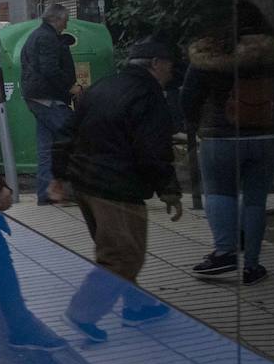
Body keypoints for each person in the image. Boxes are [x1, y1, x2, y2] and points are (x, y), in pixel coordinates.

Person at [51, 39, 183, 342]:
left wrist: (59, 174)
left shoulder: (102, 87)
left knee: (117, 248)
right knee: (122, 256)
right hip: (116, 187)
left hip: (86, 184)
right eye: (169, 66)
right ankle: (82, 314)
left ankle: (138, 305)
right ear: (155, 64)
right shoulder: (149, 96)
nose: (171, 72)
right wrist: (169, 189)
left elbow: (65, 132)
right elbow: (153, 149)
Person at [180, 2, 274, 285]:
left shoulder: (209, 53)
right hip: (267, 135)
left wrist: (192, 123)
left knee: (219, 193)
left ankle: (225, 252)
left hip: (220, 136)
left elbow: (189, 96)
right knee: (255, 199)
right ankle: (252, 265)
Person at [21, 3, 82, 205]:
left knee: (46, 148)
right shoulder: (47, 38)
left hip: (36, 97)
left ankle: (46, 194)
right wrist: (69, 87)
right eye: (65, 20)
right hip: (49, 98)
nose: (66, 25)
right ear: (56, 19)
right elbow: (50, 70)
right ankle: (67, 189)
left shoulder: (35, 36)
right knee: (74, 135)